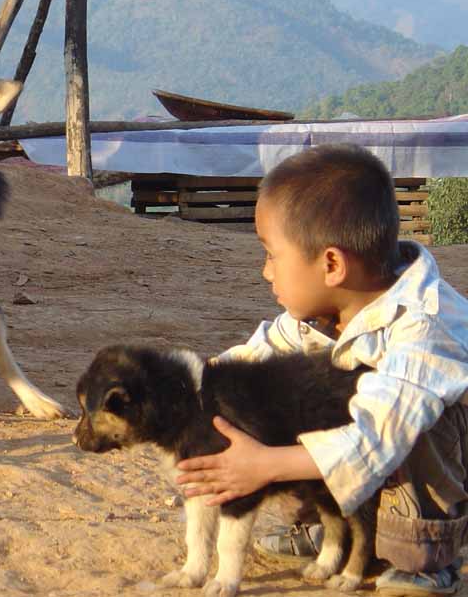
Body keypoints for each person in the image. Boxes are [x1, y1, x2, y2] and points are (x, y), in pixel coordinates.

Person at [176, 144, 468, 596]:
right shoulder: (325, 312)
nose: (265, 271)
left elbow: (379, 437)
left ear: (331, 264)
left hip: (446, 451)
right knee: (288, 390)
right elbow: (254, 358)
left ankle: (425, 555)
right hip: (377, 442)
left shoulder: (423, 330)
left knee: (412, 423)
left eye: (272, 255)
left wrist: (265, 465)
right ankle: (335, 532)